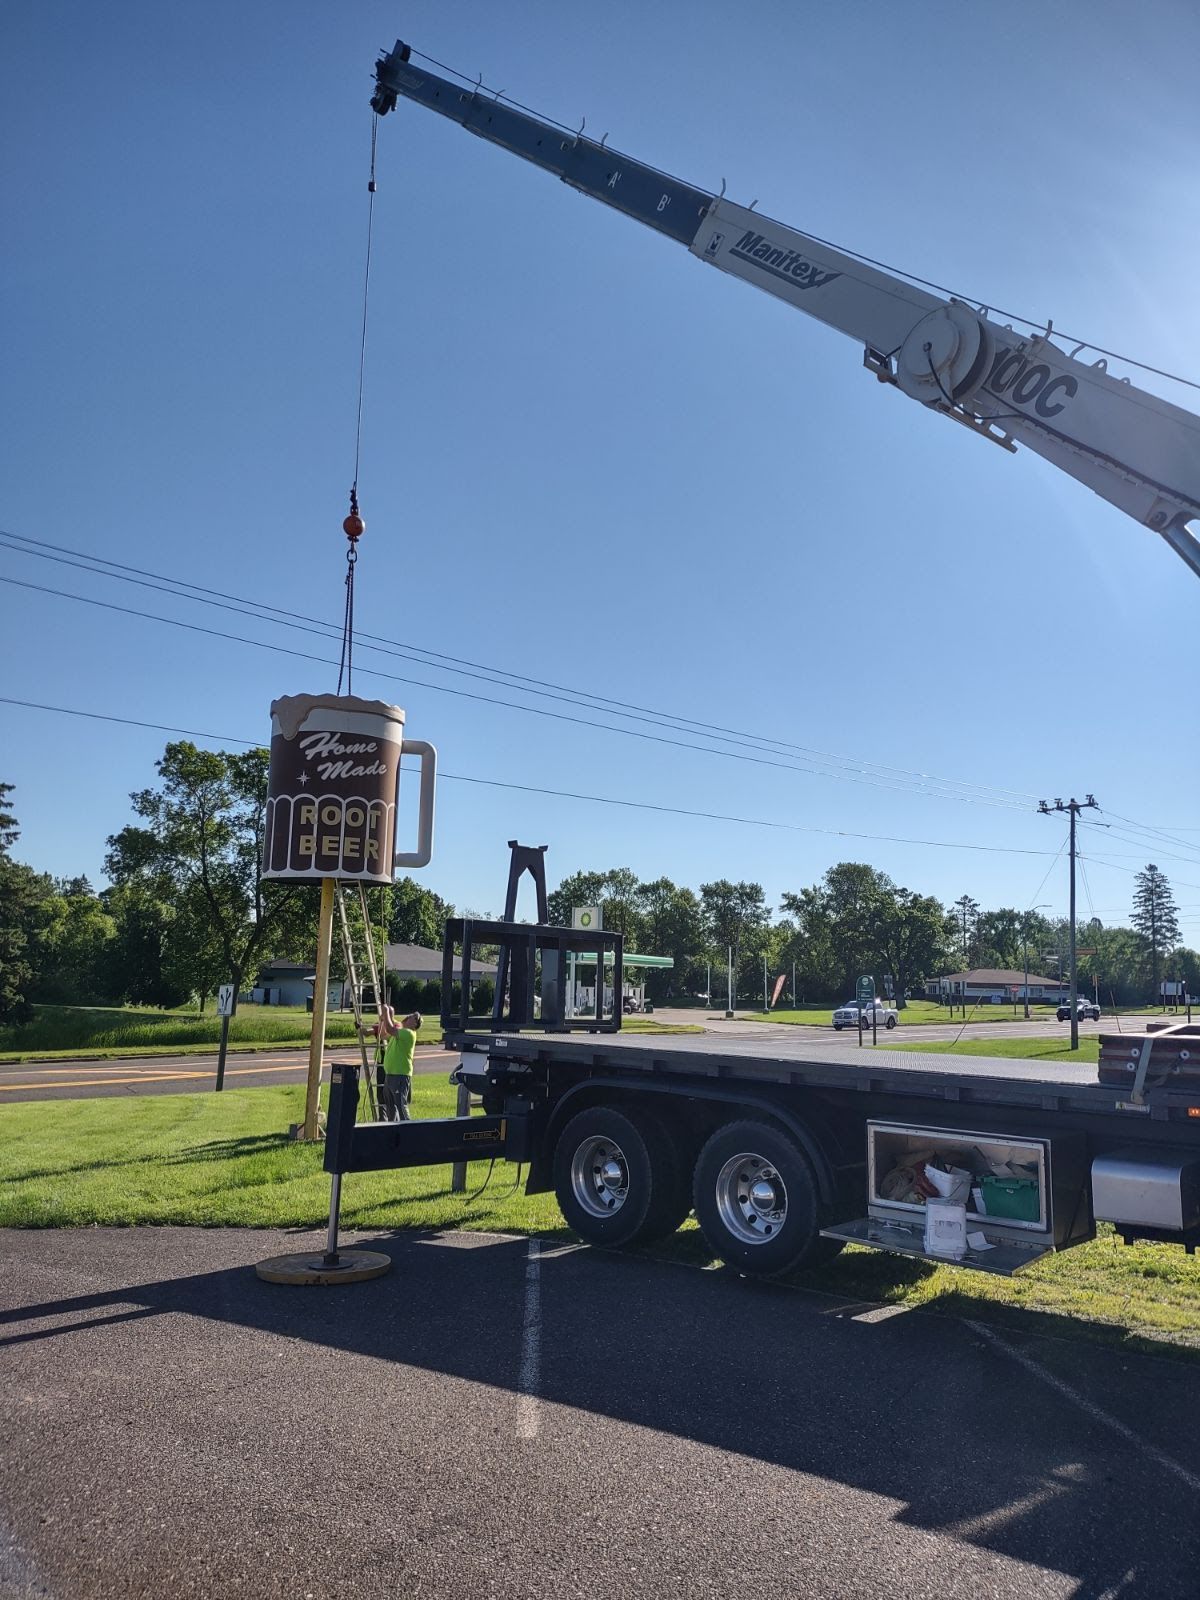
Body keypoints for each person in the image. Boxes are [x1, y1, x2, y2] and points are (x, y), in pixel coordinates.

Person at [374, 1004, 421, 1120]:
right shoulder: (400, 1032)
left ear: (415, 1024)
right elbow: (385, 1034)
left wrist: (385, 1011)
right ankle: (393, 1131)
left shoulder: (409, 1033)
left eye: (412, 1017)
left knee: (400, 1106)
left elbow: (390, 1028)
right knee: (390, 1108)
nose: (408, 1016)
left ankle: (408, 1131)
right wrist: (386, 1016)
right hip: (390, 1074)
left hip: (400, 1075)